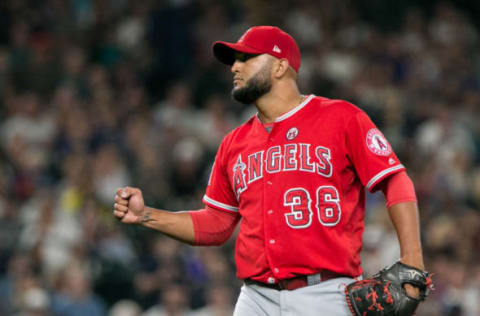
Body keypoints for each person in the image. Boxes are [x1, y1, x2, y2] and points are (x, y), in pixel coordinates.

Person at [113, 26, 426, 316]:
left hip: (327, 292)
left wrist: (412, 260)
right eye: (234, 60)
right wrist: (147, 216)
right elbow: (218, 223)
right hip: (255, 297)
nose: (235, 67)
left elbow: (395, 180)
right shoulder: (233, 144)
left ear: (280, 66)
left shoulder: (341, 118)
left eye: (247, 58)